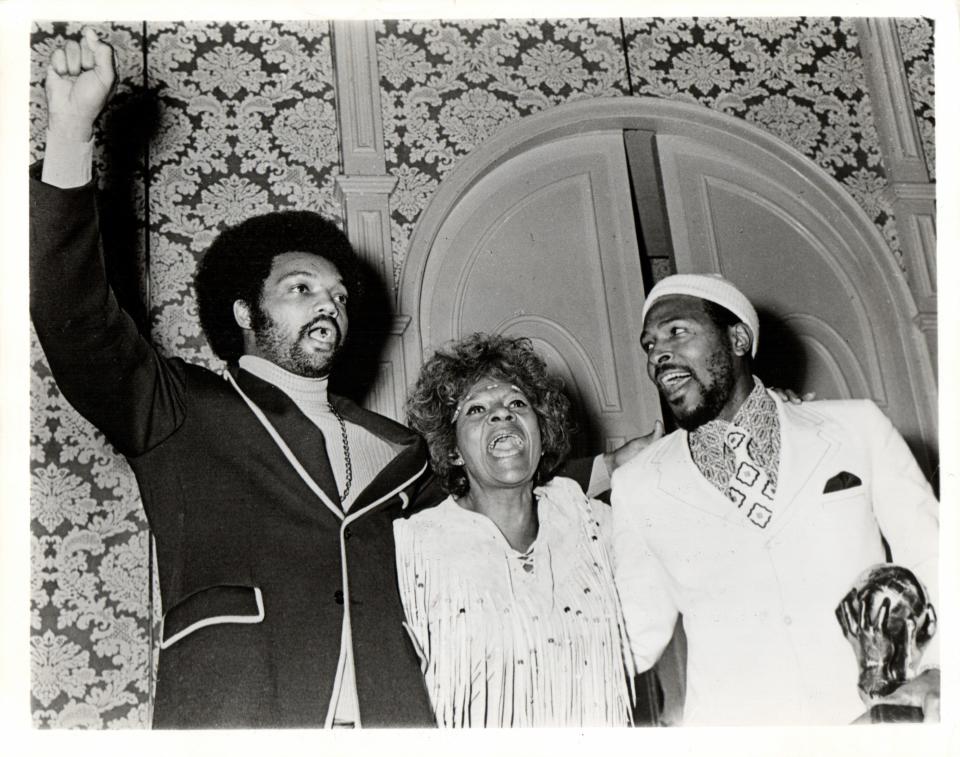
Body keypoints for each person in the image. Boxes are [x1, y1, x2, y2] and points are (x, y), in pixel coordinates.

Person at [31, 29, 645, 728]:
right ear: (244, 310)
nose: (329, 302)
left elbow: (487, 474)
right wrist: (72, 132)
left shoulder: (399, 449)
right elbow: (74, 316)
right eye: (301, 287)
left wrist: (607, 466)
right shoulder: (181, 409)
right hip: (243, 712)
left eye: (339, 295)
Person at [611, 273, 939, 725]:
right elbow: (630, 635)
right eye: (649, 345)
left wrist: (941, 671)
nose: (658, 355)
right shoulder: (638, 484)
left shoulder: (857, 428)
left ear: (739, 338)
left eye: (677, 332)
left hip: (871, 724)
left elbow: (934, 557)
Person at [395, 333, 637, 726]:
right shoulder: (413, 549)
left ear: (541, 435)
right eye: (475, 409)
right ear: (452, 450)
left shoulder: (598, 526)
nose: (501, 414)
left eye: (517, 404)